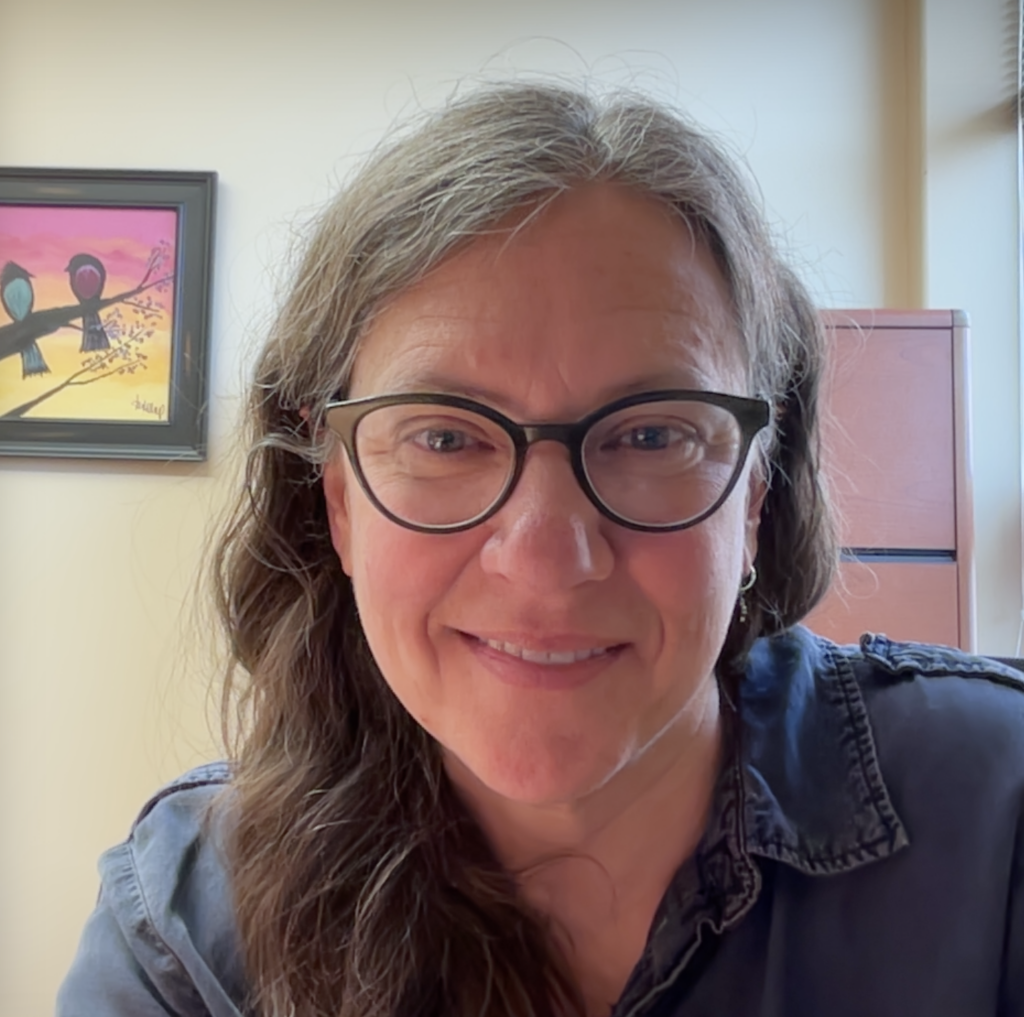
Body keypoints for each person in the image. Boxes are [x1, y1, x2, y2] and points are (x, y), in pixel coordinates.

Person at [58, 82, 1024, 1017]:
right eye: (444, 437)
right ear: (341, 500)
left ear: (756, 501)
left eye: (652, 436)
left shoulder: (998, 814)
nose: (547, 558)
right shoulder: (187, 930)